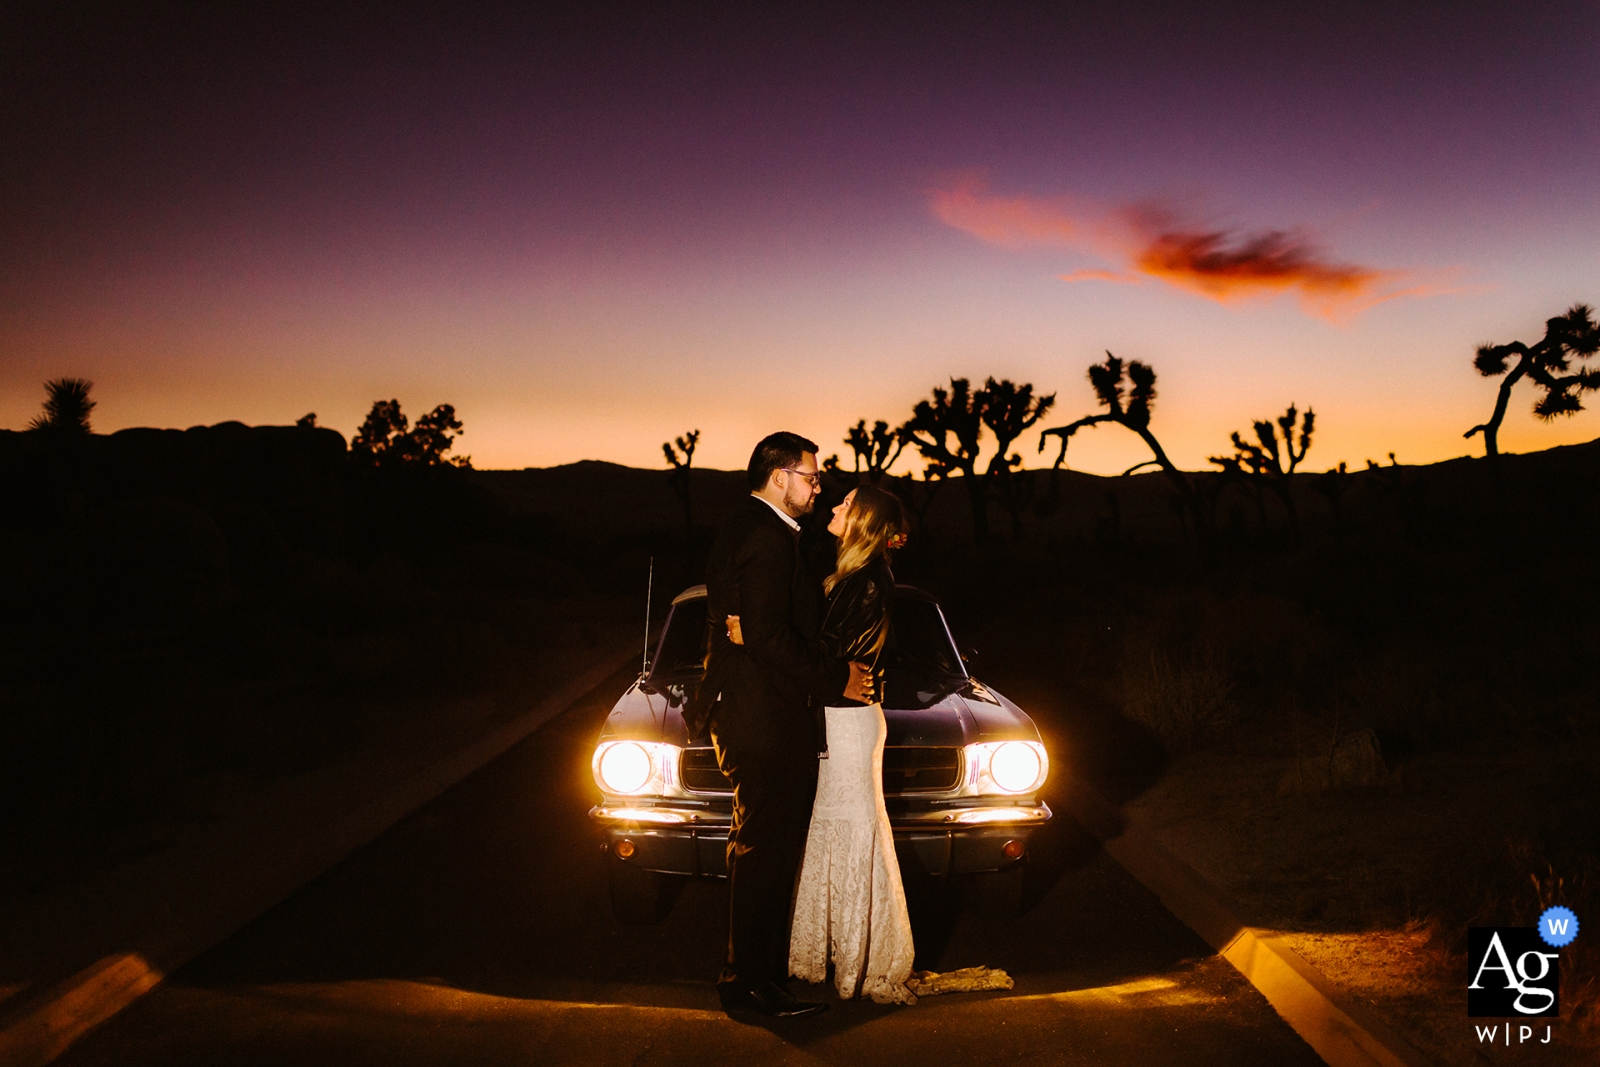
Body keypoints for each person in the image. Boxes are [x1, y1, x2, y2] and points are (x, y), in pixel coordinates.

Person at [696, 432, 871, 1019]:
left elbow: (761, 627)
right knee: (764, 850)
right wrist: (835, 678)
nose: (818, 487)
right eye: (811, 477)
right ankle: (745, 986)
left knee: (765, 849)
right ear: (779, 477)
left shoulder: (763, 530)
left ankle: (759, 978)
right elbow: (769, 636)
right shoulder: (766, 537)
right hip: (760, 712)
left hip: (761, 706)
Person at [785, 485, 917, 1005]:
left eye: (845, 504)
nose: (834, 508)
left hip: (848, 722)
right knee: (839, 829)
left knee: (852, 831)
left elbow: (826, 654)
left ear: (863, 520)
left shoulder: (865, 580)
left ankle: (866, 961)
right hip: (843, 719)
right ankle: (846, 953)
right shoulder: (853, 575)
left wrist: (757, 636)